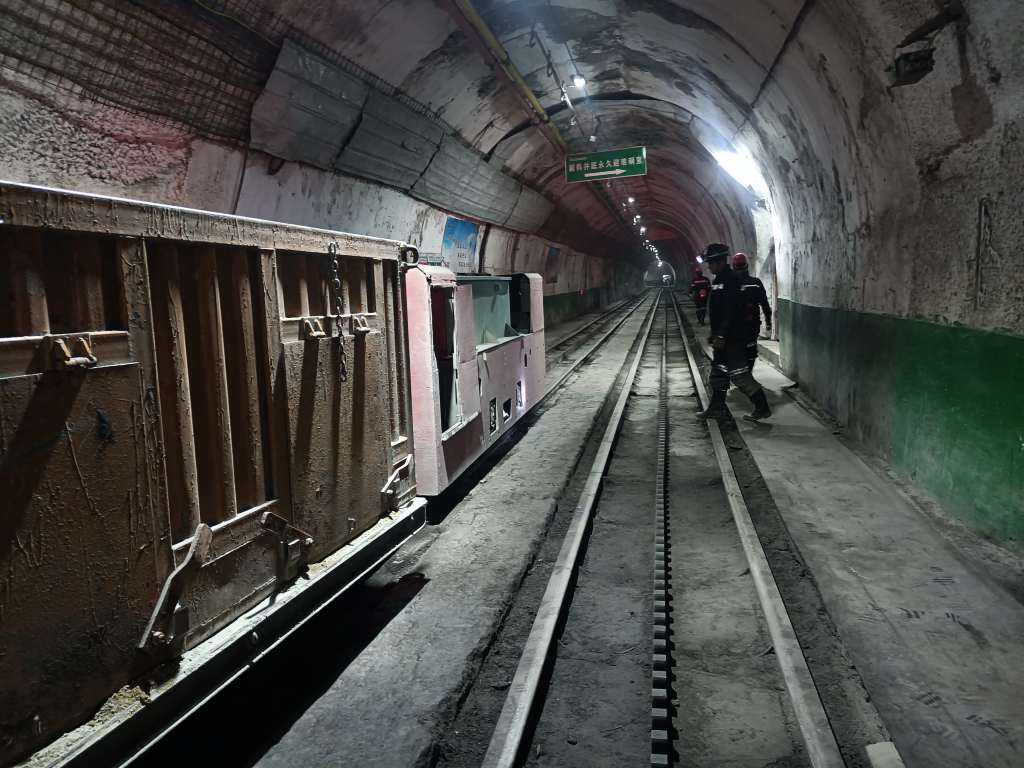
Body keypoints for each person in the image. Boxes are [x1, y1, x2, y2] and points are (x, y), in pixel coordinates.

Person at [701, 243, 771, 421]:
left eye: (711, 263)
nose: (708, 266)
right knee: (719, 371)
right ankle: (717, 407)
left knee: (740, 375)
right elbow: (718, 311)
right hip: (723, 338)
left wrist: (722, 334)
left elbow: (731, 311)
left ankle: (762, 408)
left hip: (732, 338)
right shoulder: (719, 280)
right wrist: (715, 333)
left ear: (720, 262)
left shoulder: (731, 280)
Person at [732, 252, 772, 370]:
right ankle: (748, 370)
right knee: (751, 348)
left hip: (735, 325)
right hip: (752, 324)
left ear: (733, 267)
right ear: (747, 266)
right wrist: (768, 321)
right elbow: (764, 303)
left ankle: (740, 370)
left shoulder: (730, 284)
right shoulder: (756, 283)